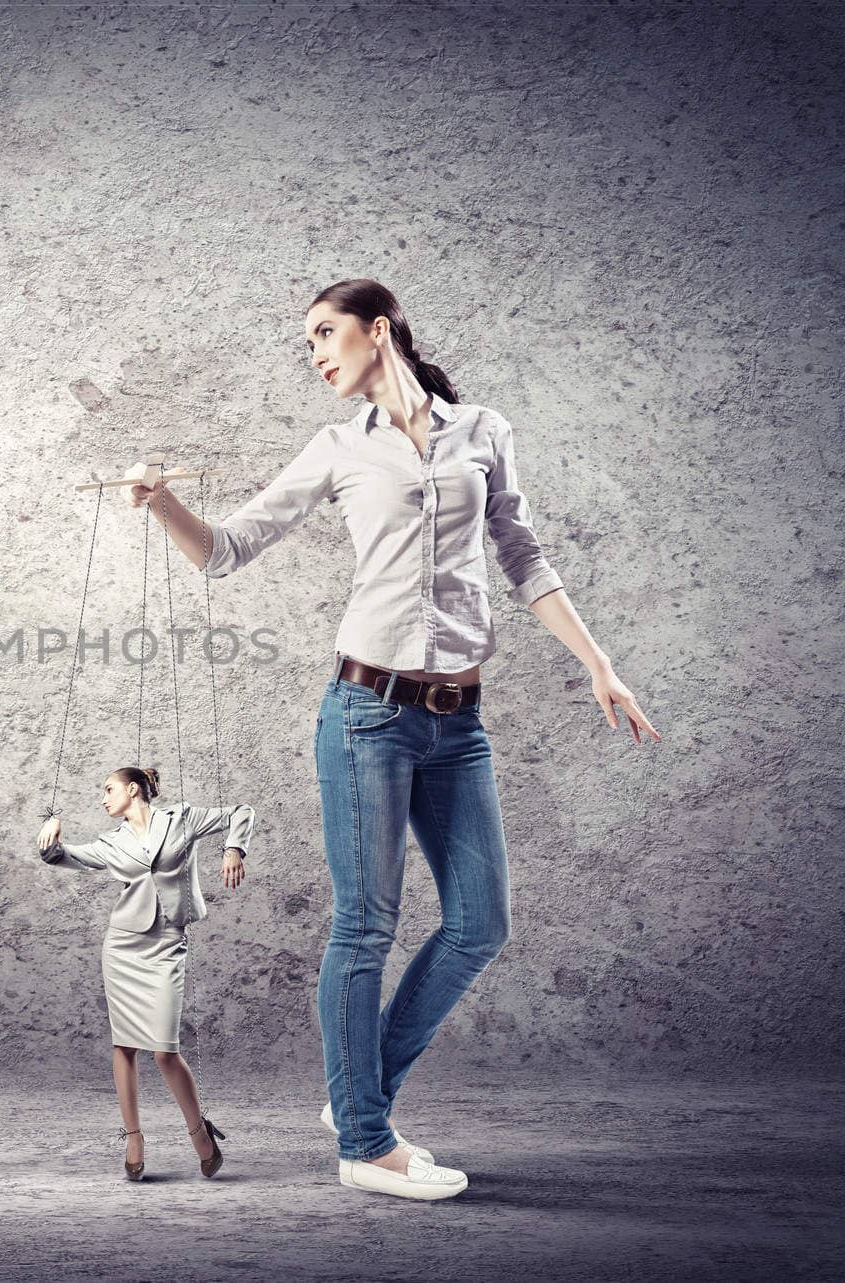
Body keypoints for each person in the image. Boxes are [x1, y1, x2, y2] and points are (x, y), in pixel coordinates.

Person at [130, 278, 660, 1201]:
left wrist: (598, 664)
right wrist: (157, 501)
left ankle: (357, 1092)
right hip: (365, 713)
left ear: (381, 331)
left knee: (479, 922)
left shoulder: (483, 430)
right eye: (308, 344)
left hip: (461, 722)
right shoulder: (338, 448)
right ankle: (365, 1143)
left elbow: (524, 557)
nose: (316, 354)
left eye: (325, 334)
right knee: (366, 924)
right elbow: (226, 549)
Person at [36, 767, 252, 1181]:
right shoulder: (111, 842)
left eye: (108, 790)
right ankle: (134, 1137)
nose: (103, 799)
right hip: (122, 948)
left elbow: (241, 811)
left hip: (168, 943)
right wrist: (50, 832)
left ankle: (198, 1132)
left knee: (165, 1050)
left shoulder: (181, 819)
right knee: (124, 1046)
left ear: (133, 789)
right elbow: (60, 856)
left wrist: (233, 849)